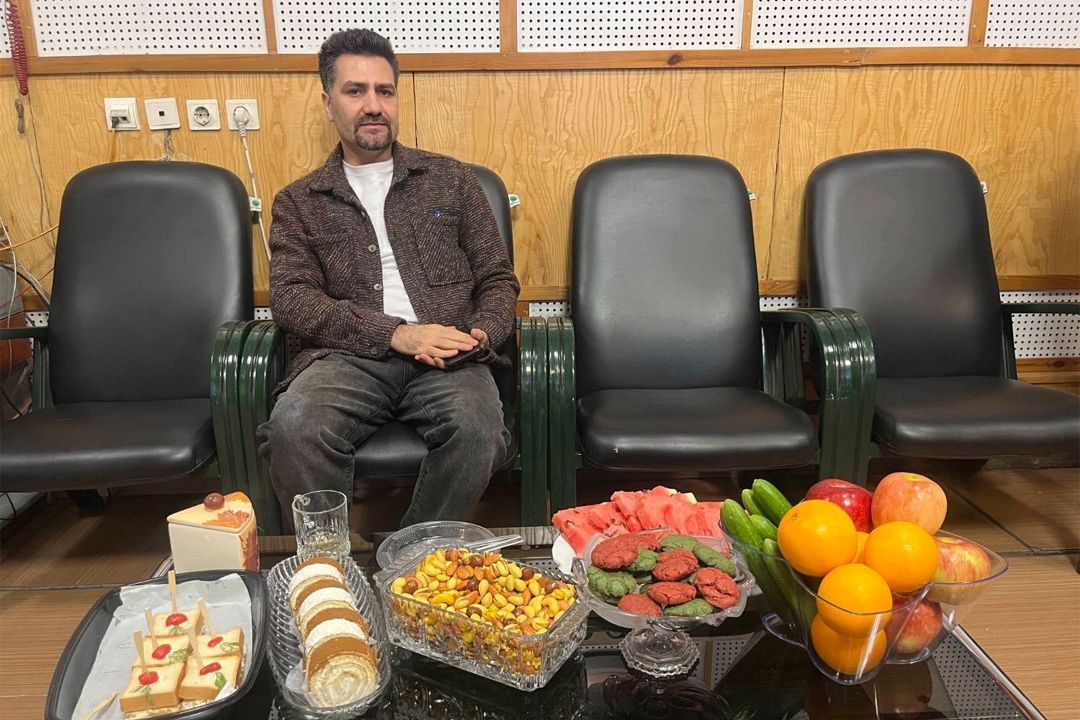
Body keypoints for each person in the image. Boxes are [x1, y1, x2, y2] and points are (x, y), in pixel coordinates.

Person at [257, 28, 519, 528]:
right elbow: (291, 299)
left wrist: (481, 333)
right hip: (346, 357)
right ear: (328, 102)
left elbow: (497, 277)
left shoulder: (451, 179)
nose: (373, 105)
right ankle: (331, 561)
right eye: (355, 91)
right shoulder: (300, 200)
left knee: (479, 430)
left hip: (450, 355)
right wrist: (395, 333)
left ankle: (413, 555)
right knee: (293, 429)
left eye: (385, 91)